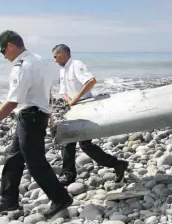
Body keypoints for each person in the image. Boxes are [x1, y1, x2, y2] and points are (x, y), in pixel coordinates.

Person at [0, 31, 73, 218]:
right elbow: (46, 89)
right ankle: (8, 199)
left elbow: (12, 102)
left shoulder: (23, 66)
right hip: (35, 115)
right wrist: (48, 111)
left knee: (35, 163)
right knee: (14, 158)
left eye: (3, 50)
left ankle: (61, 198)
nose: (3, 56)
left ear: (10, 46)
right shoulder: (40, 61)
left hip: (31, 117)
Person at [52, 44, 128, 186]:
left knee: (82, 143)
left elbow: (91, 81)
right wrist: (70, 101)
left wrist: (76, 99)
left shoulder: (76, 65)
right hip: (74, 108)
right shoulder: (62, 70)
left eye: (55, 56)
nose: (54, 60)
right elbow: (62, 91)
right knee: (73, 141)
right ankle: (69, 174)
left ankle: (116, 164)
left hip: (86, 106)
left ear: (62, 54)